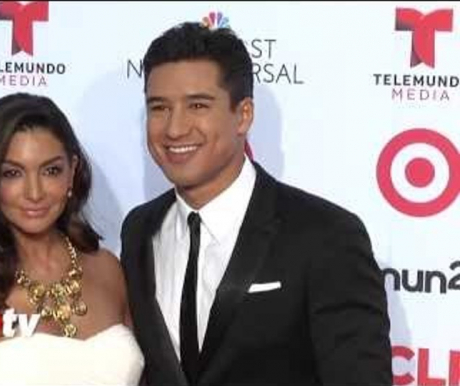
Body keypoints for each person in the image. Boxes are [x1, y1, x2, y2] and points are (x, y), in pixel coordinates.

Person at [120, 22, 392, 386]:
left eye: (197, 105)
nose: (174, 128)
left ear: (243, 115)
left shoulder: (326, 236)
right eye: (159, 108)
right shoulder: (139, 228)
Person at [0, 92, 144, 385]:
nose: (34, 193)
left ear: (72, 172)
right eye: (12, 173)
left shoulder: (108, 269)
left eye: (50, 171)